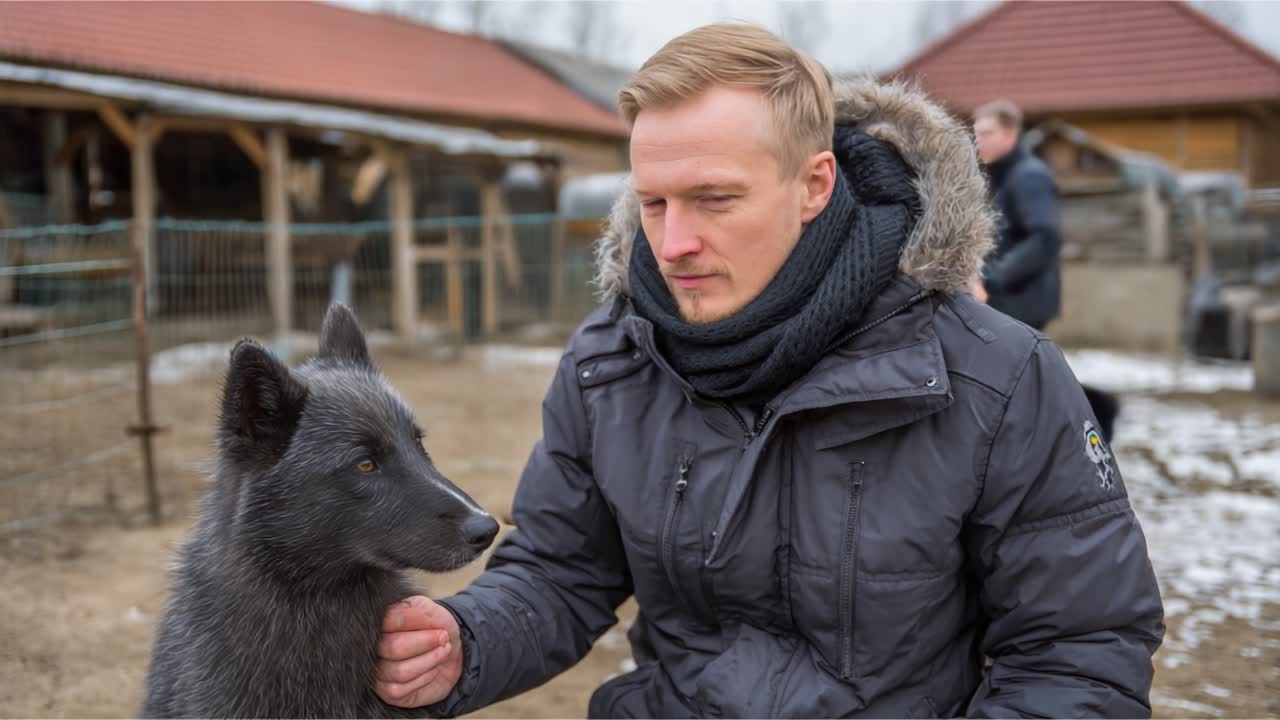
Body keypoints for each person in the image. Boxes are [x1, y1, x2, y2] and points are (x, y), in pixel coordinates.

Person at [374, 25, 1164, 718]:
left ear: (813, 185)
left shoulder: (998, 377)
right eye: (653, 203)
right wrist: (463, 641)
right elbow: (560, 567)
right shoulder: (608, 362)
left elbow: (1077, 650)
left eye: (714, 199)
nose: (673, 242)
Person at [972, 99, 1121, 440]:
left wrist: (993, 277)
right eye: (976, 132)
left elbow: (1045, 237)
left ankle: (1096, 413)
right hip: (1009, 296)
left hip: (1021, 297)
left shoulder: (1028, 176)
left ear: (1011, 133)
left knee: (1021, 375)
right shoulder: (1003, 175)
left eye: (987, 132)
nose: (979, 139)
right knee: (1020, 375)